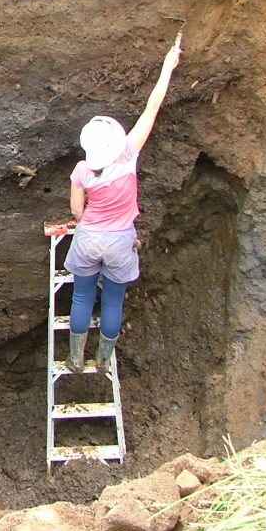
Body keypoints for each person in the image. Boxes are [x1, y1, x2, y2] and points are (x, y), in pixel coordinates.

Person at [65, 33, 182, 375]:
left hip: (88, 239)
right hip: (119, 241)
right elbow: (152, 107)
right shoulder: (129, 154)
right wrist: (168, 65)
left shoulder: (82, 170)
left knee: (82, 297)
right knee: (113, 299)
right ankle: (103, 360)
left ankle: (74, 359)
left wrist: (88, 223)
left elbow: (76, 212)